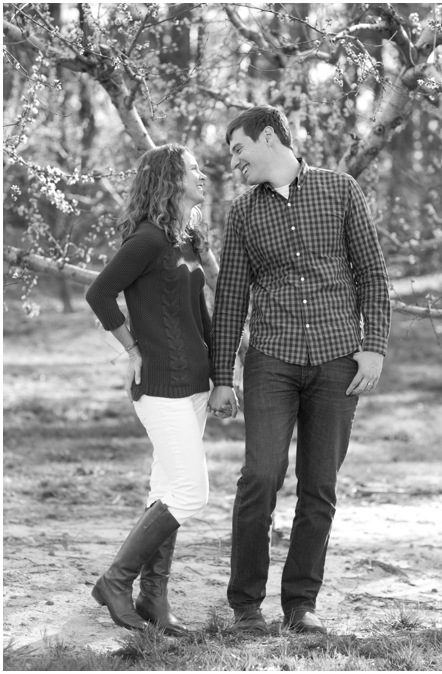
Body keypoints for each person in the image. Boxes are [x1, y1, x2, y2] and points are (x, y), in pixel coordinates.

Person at [208, 106, 391, 635]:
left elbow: (373, 276)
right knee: (260, 477)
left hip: (338, 362)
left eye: (239, 149)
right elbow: (232, 301)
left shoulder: (339, 190)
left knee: (319, 487)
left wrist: (373, 347)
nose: (234, 161)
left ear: (269, 138)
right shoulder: (243, 213)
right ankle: (245, 606)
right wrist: (224, 377)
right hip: (272, 360)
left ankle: (300, 605)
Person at [85, 144, 212, 636]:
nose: (203, 175)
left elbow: (198, 316)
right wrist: (131, 348)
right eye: (194, 169)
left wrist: (222, 376)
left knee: (166, 489)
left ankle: (153, 597)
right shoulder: (148, 240)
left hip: (195, 387)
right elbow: (99, 292)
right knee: (190, 492)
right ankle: (116, 581)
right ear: (170, 179)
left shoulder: (186, 239)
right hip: (160, 388)